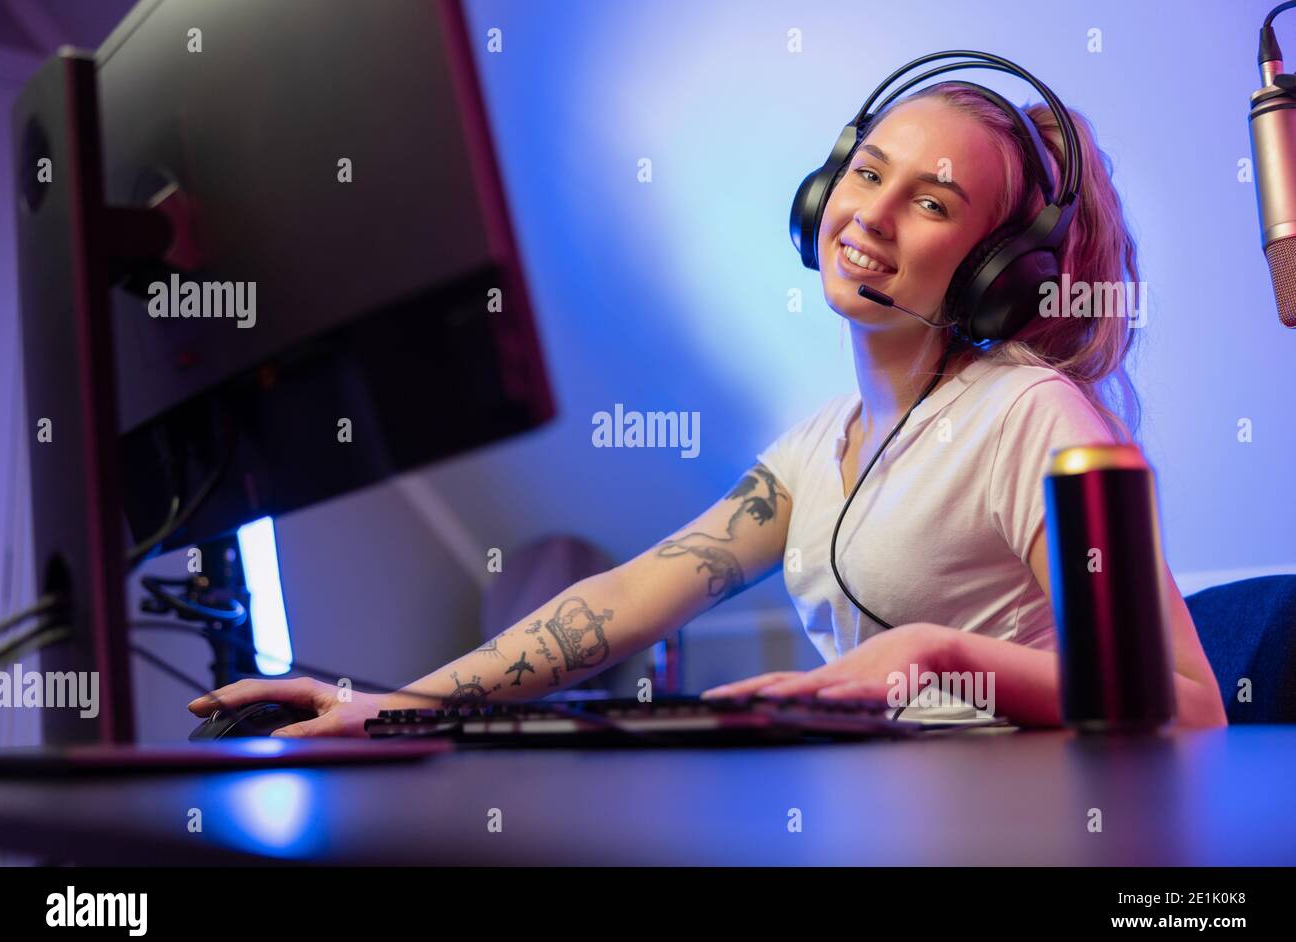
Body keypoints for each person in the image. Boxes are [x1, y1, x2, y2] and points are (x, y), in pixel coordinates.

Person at [188, 82, 1228, 734]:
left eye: (933, 200)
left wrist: (938, 656)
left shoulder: (1032, 418)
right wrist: (394, 707)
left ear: (998, 272)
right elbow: (626, 598)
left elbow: (1188, 705)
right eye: (868, 172)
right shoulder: (816, 452)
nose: (870, 211)